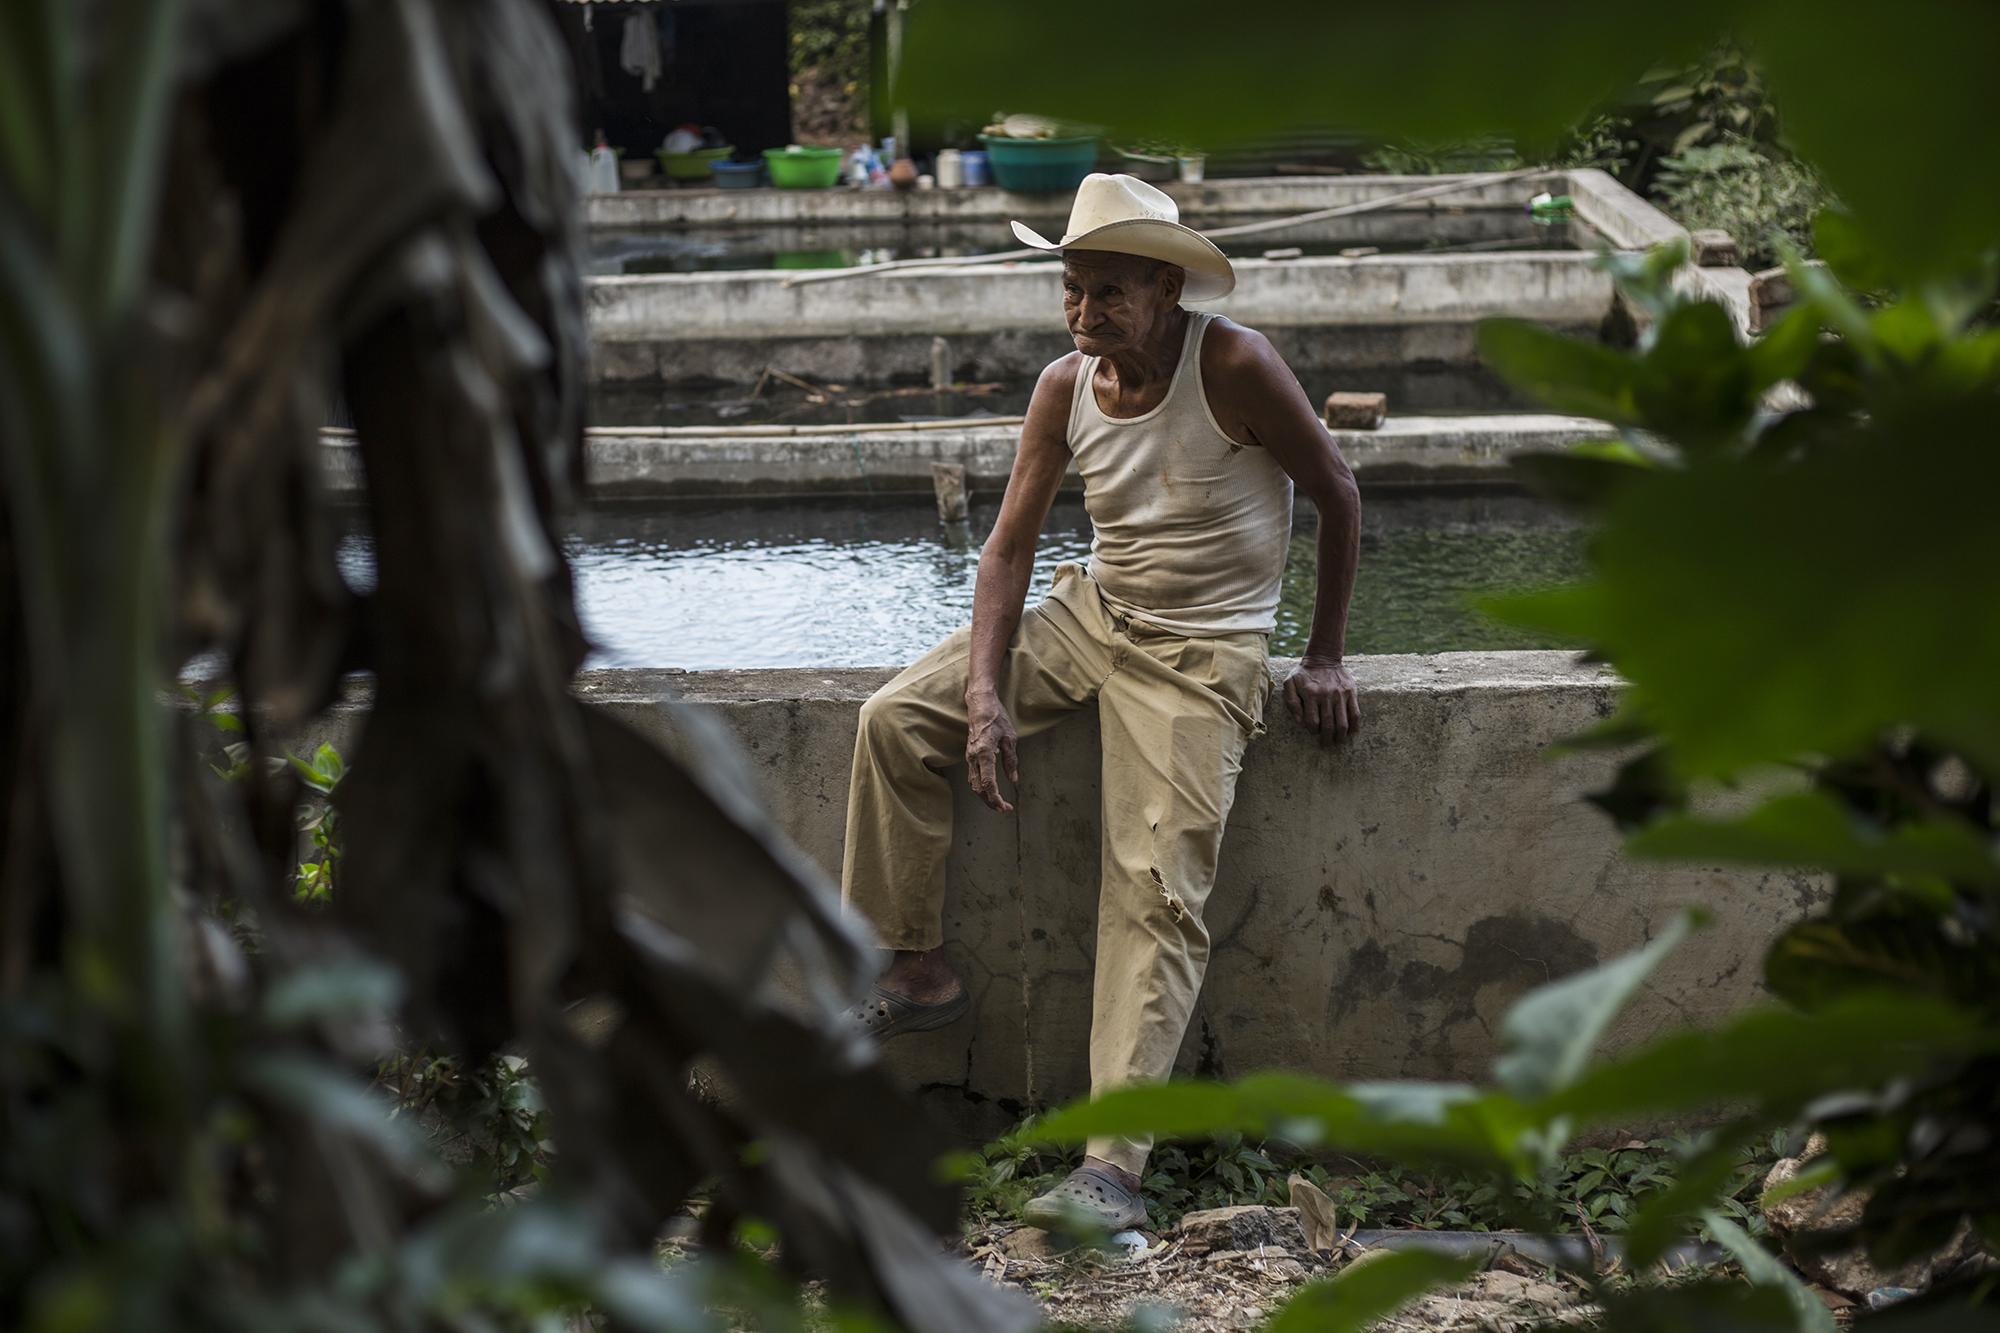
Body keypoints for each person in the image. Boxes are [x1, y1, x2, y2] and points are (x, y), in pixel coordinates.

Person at [840, 174, 1361, 1229]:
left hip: (1202, 654)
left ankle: (1111, 1171)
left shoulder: (1233, 363)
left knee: (1150, 886)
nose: (1084, 315)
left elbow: (1338, 493)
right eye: (1070, 291)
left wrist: (1323, 654)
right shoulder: (1063, 384)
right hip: (1093, 613)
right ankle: (920, 966)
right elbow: (1008, 549)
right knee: (895, 718)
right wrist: (982, 693)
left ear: (1166, 289)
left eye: (1108, 294)